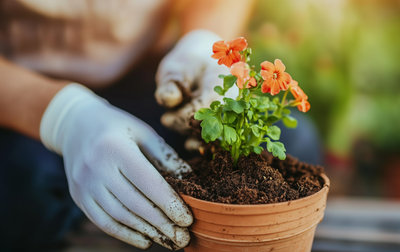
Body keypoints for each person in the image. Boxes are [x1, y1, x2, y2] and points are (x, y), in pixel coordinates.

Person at [0, 0, 255, 250]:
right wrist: (62, 115)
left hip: (151, 74)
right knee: (27, 191)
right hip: (20, 95)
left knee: (278, 150)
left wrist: (202, 41)